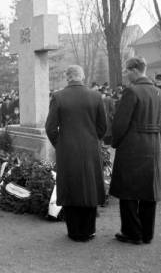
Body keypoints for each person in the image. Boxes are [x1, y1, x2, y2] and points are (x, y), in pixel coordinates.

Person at [45, 65, 107, 242]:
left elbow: (50, 127)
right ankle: (88, 230)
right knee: (90, 186)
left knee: (71, 186)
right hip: (90, 148)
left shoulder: (58, 97)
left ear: (68, 77)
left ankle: (74, 231)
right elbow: (103, 127)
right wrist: (92, 141)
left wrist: (61, 144)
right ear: (82, 77)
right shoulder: (95, 96)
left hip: (67, 150)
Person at [110, 57, 161, 245]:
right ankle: (147, 233)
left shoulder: (132, 92)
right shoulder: (159, 92)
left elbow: (120, 123)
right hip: (153, 145)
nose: (125, 74)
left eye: (127, 70)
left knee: (128, 190)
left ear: (134, 70)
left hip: (133, 145)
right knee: (148, 190)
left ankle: (132, 233)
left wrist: (115, 142)